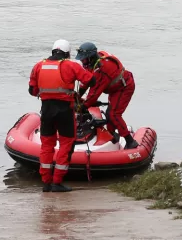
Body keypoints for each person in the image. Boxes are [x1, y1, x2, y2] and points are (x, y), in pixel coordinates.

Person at [28, 39, 95, 192]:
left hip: (46, 111)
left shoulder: (38, 66)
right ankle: (57, 182)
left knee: (46, 145)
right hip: (65, 110)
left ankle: (46, 182)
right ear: (67, 53)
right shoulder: (71, 65)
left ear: (53, 51)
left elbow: (32, 91)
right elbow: (91, 80)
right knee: (66, 144)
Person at [75, 42, 139, 150]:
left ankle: (130, 141)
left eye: (84, 59)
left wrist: (82, 106)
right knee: (109, 114)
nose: (82, 61)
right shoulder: (94, 62)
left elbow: (94, 94)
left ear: (90, 57)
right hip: (115, 88)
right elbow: (86, 80)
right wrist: (77, 96)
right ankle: (112, 136)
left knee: (114, 114)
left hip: (124, 88)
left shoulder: (102, 69)